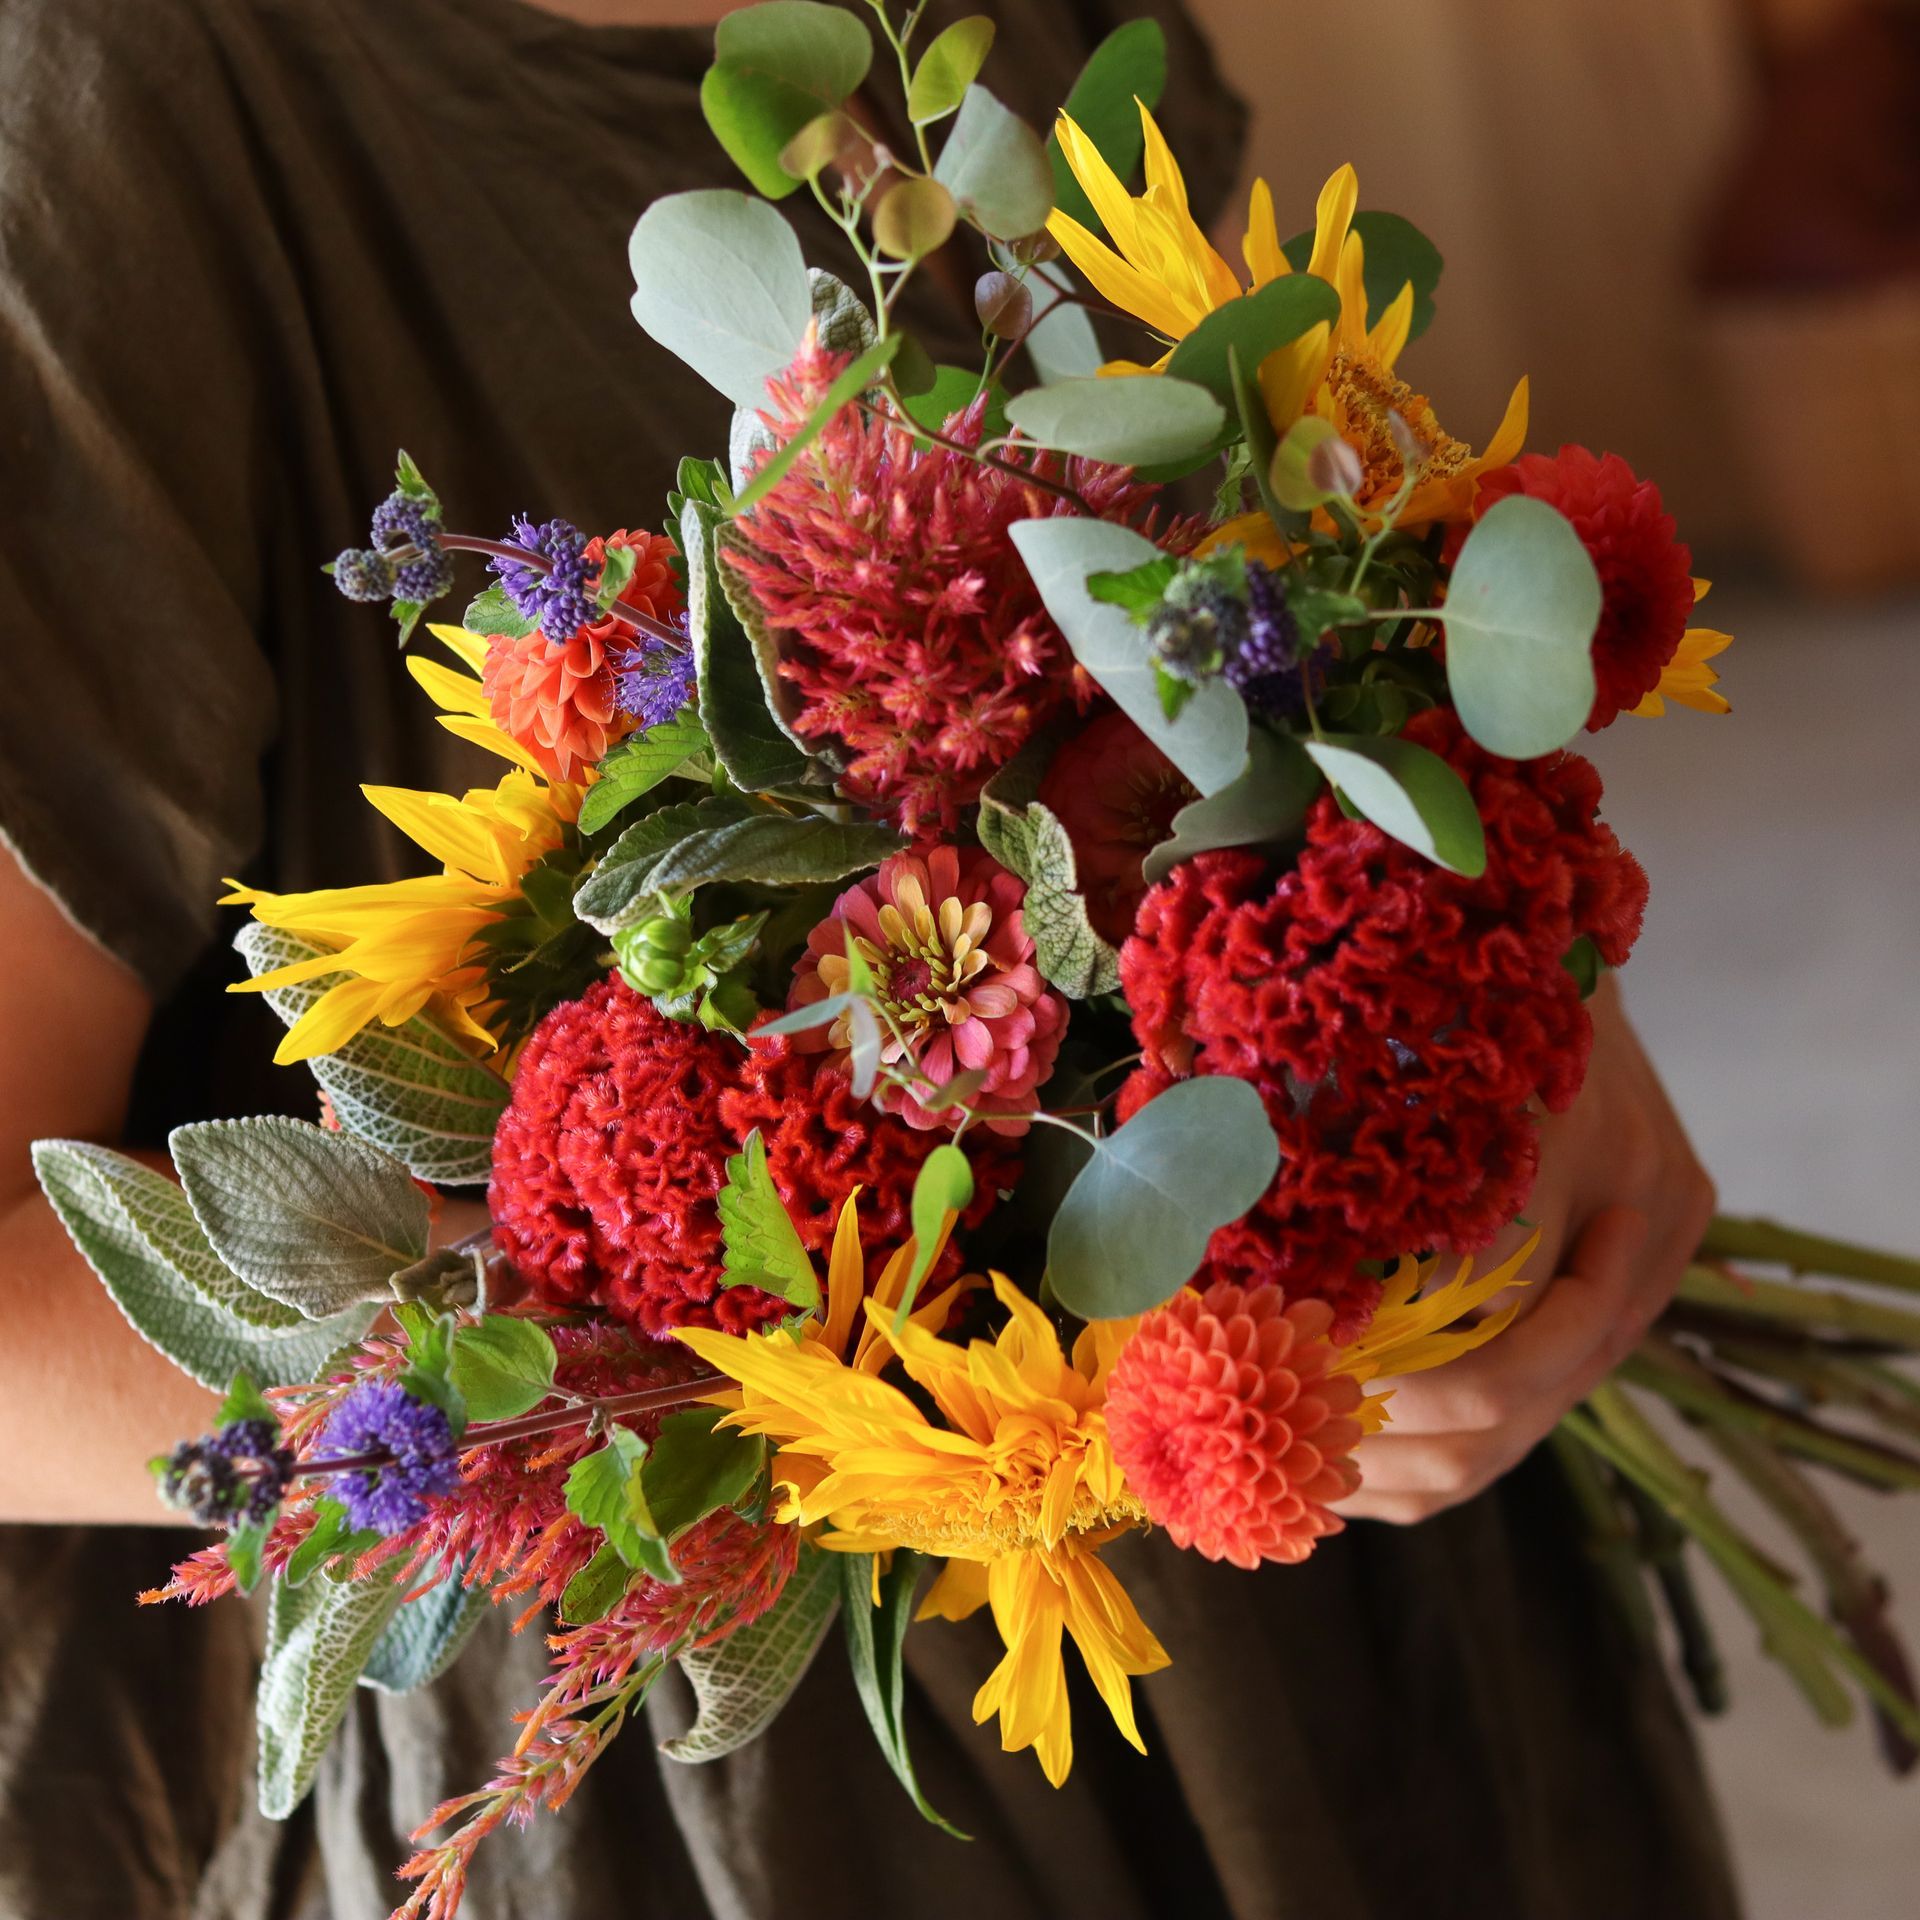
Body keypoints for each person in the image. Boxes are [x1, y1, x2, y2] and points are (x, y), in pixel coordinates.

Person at [0, 1, 1737, 1914]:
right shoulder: (114, 113)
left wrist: (1508, 983)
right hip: (721, 1790)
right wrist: (785, 1336)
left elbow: (1274, 614)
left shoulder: (1002, 40)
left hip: (1358, 1565)